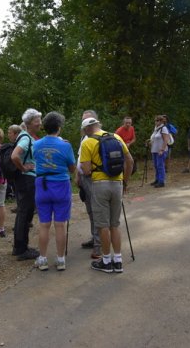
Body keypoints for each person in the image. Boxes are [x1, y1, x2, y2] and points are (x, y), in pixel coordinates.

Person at [80, 117, 133, 273]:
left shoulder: (87, 143)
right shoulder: (116, 137)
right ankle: (118, 260)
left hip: (99, 185)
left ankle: (106, 260)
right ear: (98, 125)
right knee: (114, 224)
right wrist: (125, 181)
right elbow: (129, 160)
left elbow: (87, 170)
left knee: (103, 225)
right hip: (117, 184)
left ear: (87, 129)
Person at [33, 112, 76, 271]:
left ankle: (43, 259)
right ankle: (60, 259)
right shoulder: (65, 145)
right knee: (60, 225)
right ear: (59, 127)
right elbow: (72, 168)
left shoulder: (36, 144)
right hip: (61, 185)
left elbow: (35, 160)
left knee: (44, 225)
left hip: (42, 185)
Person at [11, 108, 42, 261]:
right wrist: (23, 168)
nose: (40, 123)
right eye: (37, 120)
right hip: (27, 179)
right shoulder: (25, 138)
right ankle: (21, 249)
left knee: (24, 212)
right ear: (29, 123)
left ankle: (19, 247)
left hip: (25, 179)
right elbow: (15, 155)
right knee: (25, 213)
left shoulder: (27, 136)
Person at [75, 110, 101, 259]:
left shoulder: (97, 137)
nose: (85, 123)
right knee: (91, 210)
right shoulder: (84, 137)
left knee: (96, 210)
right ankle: (95, 238)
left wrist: (84, 173)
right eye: (83, 120)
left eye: (89, 120)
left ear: (96, 121)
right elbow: (80, 157)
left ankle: (99, 242)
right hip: (84, 178)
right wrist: (77, 175)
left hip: (92, 178)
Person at [148, 115, 170, 188]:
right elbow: (154, 138)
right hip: (154, 150)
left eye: (157, 120)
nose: (156, 122)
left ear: (161, 121)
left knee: (160, 166)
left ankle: (161, 181)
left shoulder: (164, 128)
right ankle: (157, 179)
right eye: (155, 120)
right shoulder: (156, 128)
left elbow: (166, 140)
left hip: (160, 150)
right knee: (156, 166)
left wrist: (162, 149)